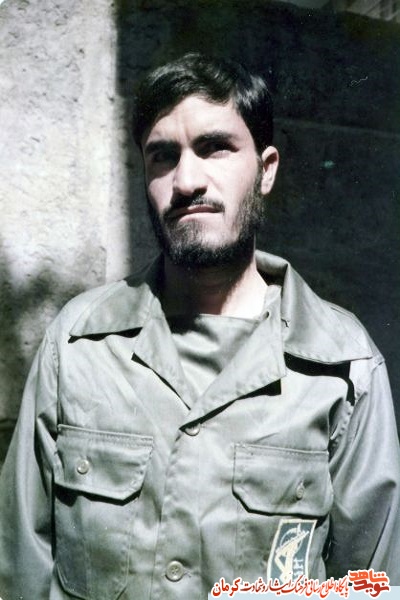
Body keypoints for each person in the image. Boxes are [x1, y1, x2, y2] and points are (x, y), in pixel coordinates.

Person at [0, 52, 399, 600]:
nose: (186, 180)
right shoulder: (76, 345)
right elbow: (18, 569)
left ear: (266, 169)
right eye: (163, 156)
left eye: (215, 148)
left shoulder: (345, 367)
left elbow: (371, 585)